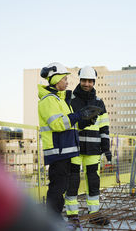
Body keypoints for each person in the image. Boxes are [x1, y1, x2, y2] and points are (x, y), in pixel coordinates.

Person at [37, 62, 100, 227]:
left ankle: (54, 219)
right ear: (56, 80)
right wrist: (79, 115)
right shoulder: (48, 100)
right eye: (64, 79)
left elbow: (69, 124)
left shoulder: (59, 99)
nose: (67, 82)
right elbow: (58, 124)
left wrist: (84, 120)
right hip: (57, 150)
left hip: (64, 149)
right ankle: (52, 221)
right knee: (57, 188)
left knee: (60, 186)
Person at [65, 66, 112, 226]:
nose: (86, 84)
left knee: (93, 182)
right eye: (84, 80)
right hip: (74, 148)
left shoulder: (99, 102)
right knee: (72, 181)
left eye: (90, 81)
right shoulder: (70, 100)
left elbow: (104, 128)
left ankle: (94, 214)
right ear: (80, 80)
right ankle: (72, 215)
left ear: (94, 82)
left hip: (93, 150)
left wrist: (106, 149)